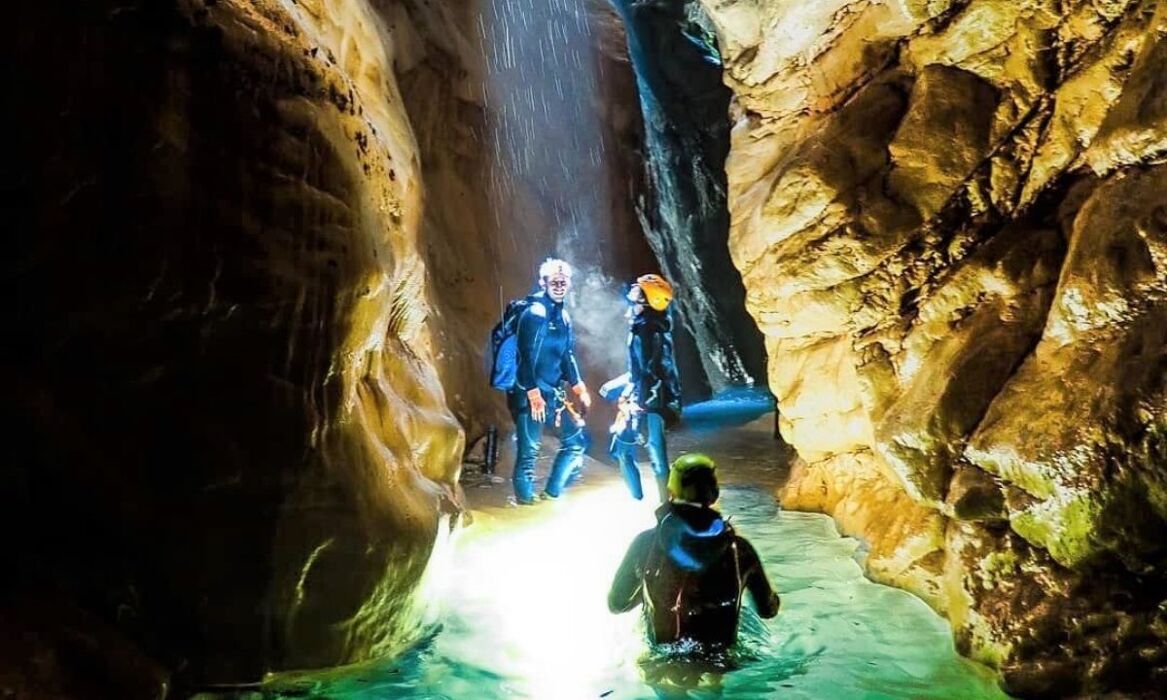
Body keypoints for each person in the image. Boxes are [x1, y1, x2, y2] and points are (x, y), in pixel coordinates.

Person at [608, 454, 780, 648]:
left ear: (671, 491)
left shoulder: (645, 543)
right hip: (723, 662)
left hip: (662, 660)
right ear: (714, 494)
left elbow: (616, 604)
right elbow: (768, 610)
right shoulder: (740, 550)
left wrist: (649, 594)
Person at [508, 258, 592, 505]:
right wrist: (533, 393)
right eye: (553, 281)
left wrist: (579, 386)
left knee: (575, 443)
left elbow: (566, 354)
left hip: (554, 393)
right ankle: (525, 504)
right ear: (542, 282)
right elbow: (524, 357)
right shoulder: (534, 314)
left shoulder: (563, 316)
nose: (559, 285)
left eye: (563, 281)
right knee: (529, 453)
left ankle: (551, 494)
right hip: (529, 393)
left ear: (569, 284)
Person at [600, 274, 682, 501]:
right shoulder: (646, 327)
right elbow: (640, 371)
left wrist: (640, 403)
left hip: (651, 404)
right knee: (622, 450)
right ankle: (642, 501)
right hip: (644, 399)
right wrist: (620, 387)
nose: (631, 299)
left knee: (655, 455)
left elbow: (654, 371)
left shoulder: (650, 331)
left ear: (648, 302)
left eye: (636, 296)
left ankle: (664, 508)